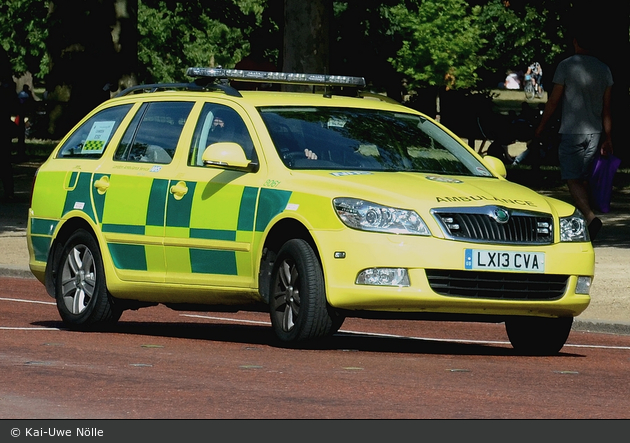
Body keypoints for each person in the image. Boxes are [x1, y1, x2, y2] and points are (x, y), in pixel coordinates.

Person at [533, 28, 613, 241]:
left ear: (575, 42)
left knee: (571, 177)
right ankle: (585, 221)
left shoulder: (566, 66)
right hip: (594, 132)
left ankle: (589, 217)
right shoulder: (604, 70)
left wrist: (540, 127)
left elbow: (553, 101)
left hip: (571, 130)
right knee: (584, 178)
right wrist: (608, 137)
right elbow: (607, 108)